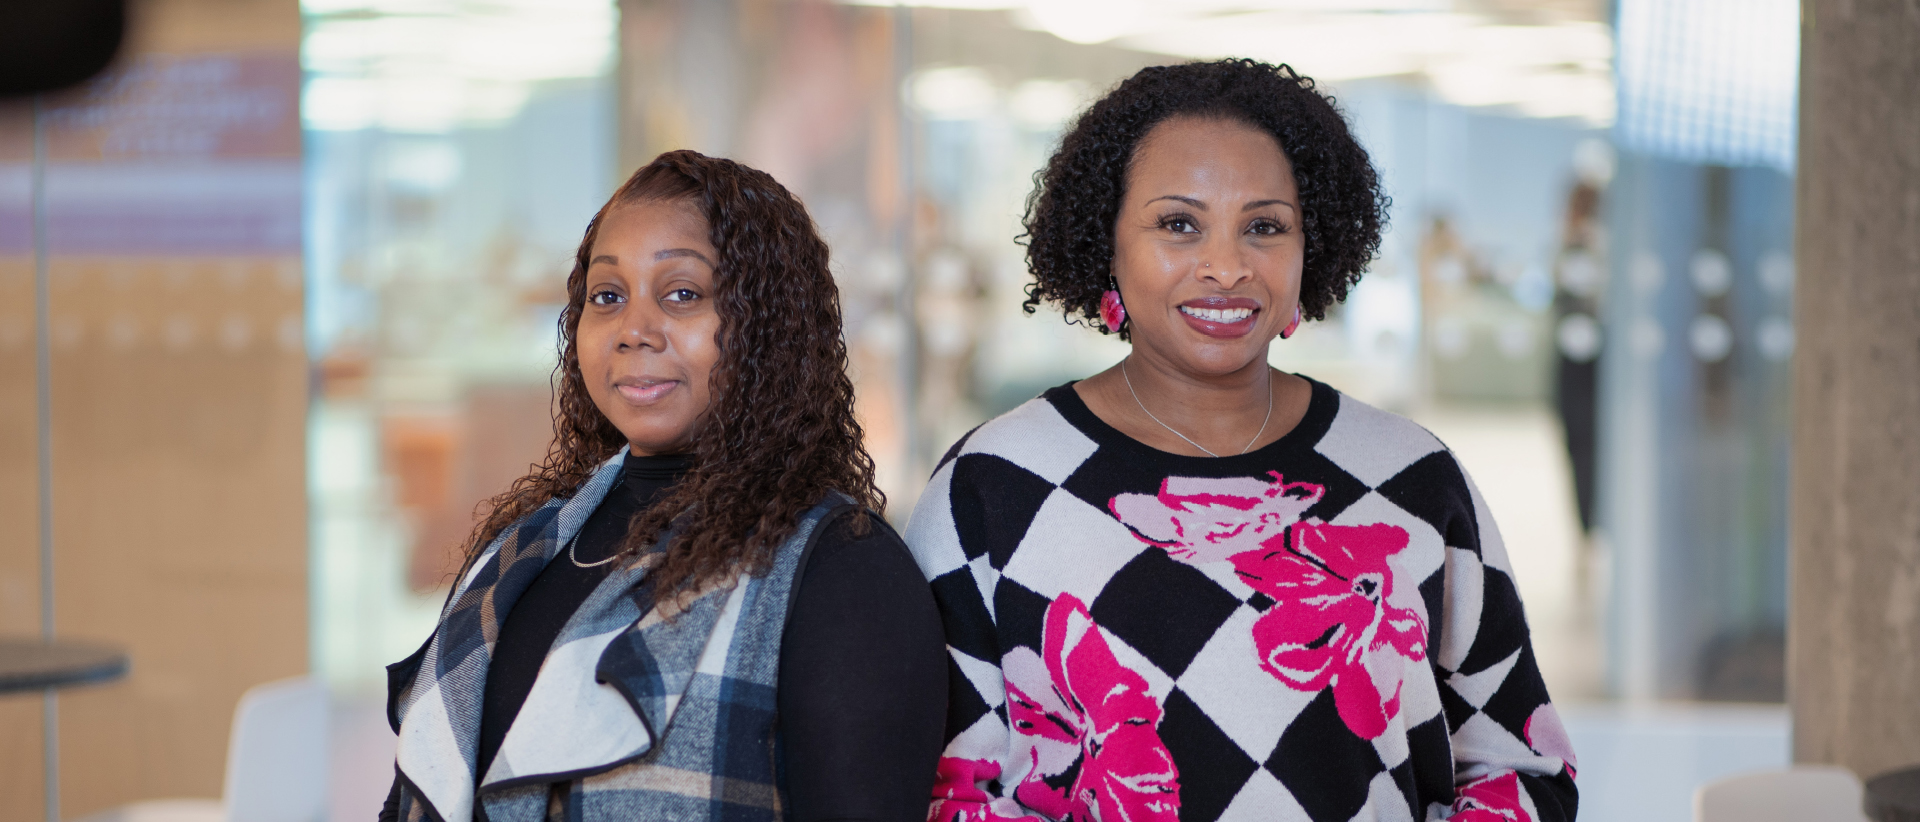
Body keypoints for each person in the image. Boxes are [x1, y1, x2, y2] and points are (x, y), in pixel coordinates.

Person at [906, 60, 1578, 821]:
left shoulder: (1411, 476)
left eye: (1264, 227)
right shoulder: (994, 483)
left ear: (1309, 247)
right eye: (1178, 224)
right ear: (1105, 242)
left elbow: (1522, 766)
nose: (1226, 267)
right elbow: (950, 792)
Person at [381, 150, 946, 822]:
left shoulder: (840, 570)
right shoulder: (520, 550)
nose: (634, 330)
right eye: (607, 296)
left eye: (683, 294)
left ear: (771, 323)